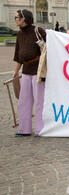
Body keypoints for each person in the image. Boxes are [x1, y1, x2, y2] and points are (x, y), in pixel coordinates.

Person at [12, 9, 46, 137]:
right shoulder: (20, 34)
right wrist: (16, 71)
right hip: (26, 71)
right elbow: (18, 54)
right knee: (23, 100)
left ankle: (40, 129)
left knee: (39, 100)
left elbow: (50, 46)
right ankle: (24, 129)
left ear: (24, 18)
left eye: (17, 17)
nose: (15, 19)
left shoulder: (38, 31)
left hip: (38, 71)